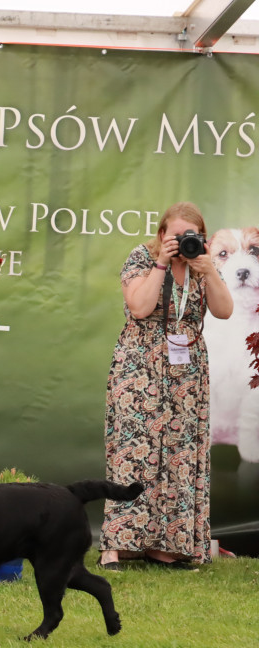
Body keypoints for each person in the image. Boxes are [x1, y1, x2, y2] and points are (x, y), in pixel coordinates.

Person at [98, 202, 233, 571]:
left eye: (192, 236)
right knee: (133, 450)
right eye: (177, 236)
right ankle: (116, 543)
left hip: (186, 372)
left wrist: (210, 272)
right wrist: (161, 265)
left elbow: (223, 311)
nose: (184, 242)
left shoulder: (202, 264)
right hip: (140, 363)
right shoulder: (142, 257)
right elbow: (140, 307)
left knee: (179, 454)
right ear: (162, 235)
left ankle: (165, 543)